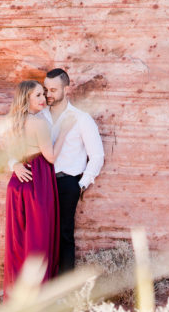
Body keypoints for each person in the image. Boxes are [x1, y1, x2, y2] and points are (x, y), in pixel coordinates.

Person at [10, 69, 104, 275]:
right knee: (40, 236)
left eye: (53, 90)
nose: (48, 95)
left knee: (63, 235)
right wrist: (15, 164)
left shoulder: (81, 119)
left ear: (66, 89)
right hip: (38, 183)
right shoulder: (37, 115)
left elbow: (97, 155)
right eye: (45, 90)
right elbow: (15, 145)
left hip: (65, 183)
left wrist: (81, 185)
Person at [4, 80, 75, 297]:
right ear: (26, 98)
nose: (43, 98)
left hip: (17, 183)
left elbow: (7, 150)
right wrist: (64, 132)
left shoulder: (13, 122)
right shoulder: (38, 123)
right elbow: (50, 157)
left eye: (43, 94)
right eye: (37, 95)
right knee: (38, 242)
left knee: (18, 243)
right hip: (37, 183)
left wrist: (14, 164)